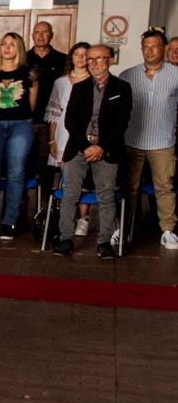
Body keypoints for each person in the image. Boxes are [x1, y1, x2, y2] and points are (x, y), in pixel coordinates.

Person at [53, 44, 130, 259]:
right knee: (70, 194)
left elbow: (121, 123)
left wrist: (101, 147)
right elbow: (70, 122)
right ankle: (66, 239)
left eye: (99, 58)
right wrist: (87, 147)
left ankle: (104, 242)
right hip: (79, 147)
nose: (94, 63)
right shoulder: (79, 88)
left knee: (106, 196)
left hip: (107, 148)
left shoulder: (122, 88)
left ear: (110, 60)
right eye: (90, 59)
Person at [119, 26, 178, 249]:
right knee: (128, 186)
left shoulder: (176, 75)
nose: (150, 51)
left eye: (154, 46)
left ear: (163, 49)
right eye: (146, 47)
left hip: (163, 141)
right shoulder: (128, 75)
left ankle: (168, 231)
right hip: (132, 140)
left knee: (164, 186)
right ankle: (122, 228)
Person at [0, 32, 38, 240]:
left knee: (16, 172)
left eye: (12, 44)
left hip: (20, 125)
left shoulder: (28, 73)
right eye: (4, 43)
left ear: (19, 48)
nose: (7, 47)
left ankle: (9, 221)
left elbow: (31, 104)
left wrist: (14, 116)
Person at [42, 42, 91, 236]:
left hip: (85, 130)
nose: (80, 58)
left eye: (84, 54)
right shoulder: (61, 82)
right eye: (77, 54)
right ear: (72, 57)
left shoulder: (94, 80)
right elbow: (54, 113)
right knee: (66, 177)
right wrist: (52, 140)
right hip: (63, 132)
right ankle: (66, 218)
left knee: (84, 175)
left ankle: (83, 219)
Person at [26, 21, 66, 184]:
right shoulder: (24, 59)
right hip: (27, 119)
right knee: (24, 163)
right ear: (32, 36)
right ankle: (22, 206)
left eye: (45, 32)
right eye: (37, 32)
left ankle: (45, 206)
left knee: (47, 166)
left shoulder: (63, 60)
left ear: (52, 35)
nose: (41, 35)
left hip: (51, 122)